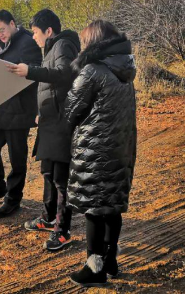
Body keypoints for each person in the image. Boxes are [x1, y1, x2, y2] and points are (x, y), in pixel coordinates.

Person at [64, 20, 137, 287]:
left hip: (94, 150)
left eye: (85, 40)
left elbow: (71, 110)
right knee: (112, 205)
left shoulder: (92, 71)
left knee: (94, 208)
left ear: (93, 41)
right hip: (121, 148)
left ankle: (94, 268)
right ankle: (110, 259)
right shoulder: (125, 70)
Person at [7, 9, 80, 251]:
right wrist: (42, 111)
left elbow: (64, 75)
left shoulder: (63, 45)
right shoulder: (52, 49)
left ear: (48, 31)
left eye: (36, 32)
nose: (34, 37)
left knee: (60, 179)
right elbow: (53, 87)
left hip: (61, 123)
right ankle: (48, 218)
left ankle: (62, 230)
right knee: (48, 172)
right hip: (50, 121)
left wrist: (30, 71)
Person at [0, 9, 42, 218]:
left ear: (12, 24)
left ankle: (13, 199)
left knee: (17, 157)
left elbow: (35, 71)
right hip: (0, 108)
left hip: (19, 109)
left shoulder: (28, 42)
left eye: (2, 30)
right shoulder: (3, 45)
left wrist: (23, 71)